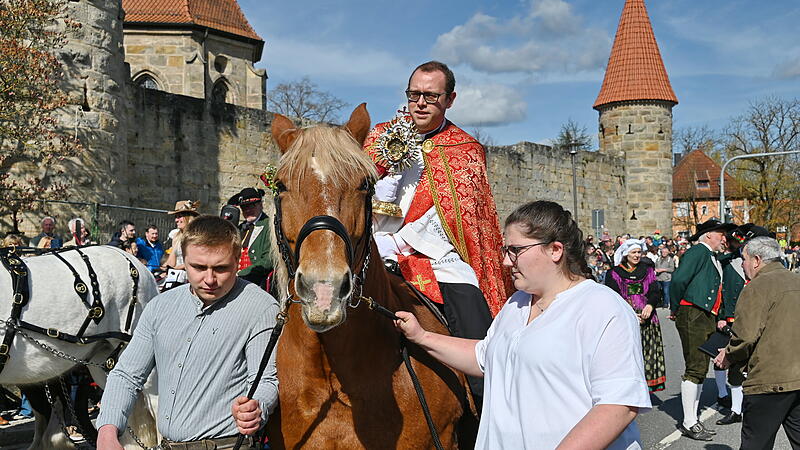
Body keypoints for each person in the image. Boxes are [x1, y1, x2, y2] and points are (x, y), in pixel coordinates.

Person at [394, 201, 651, 449]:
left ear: (555, 250)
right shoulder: (516, 303)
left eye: (516, 250)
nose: (506, 261)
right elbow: (485, 357)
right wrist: (422, 336)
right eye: (507, 250)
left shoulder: (602, 307)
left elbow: (619, 406)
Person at [363, 61, 509, 403]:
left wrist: (399, 241)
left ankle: (488, 405)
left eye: (431, 95)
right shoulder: (378, 137)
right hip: (370, 249)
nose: (421, 103)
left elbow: (458, 219)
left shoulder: (465, 150)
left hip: (433, 256)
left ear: (450, 99)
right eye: (414, 94)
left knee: (471, 304)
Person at [96, 215, 279, 449]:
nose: (209, 279)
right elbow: (126, 374)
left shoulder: (260, 307)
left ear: (237, 260)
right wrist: (107, 430)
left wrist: (257, 406)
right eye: (198, 267)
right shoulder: (160, 306)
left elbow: (266, 379)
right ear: (184, 259)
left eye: (221, 268)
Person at [714, 236, 800, 449]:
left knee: (756, 444)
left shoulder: (757, 286)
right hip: (797, 377)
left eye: (743, 259)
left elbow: (746, 336)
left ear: (756, 260)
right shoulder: (796, 280)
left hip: (769, 380)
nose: (742, 264)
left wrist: (728, 354)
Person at [669, 219, 736, 441]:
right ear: (708, 235)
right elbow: (678, 280)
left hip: (705, 315)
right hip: (693, 312)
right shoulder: (698, 251)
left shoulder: (711, 255)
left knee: (701, 367)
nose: (723, 238)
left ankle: (693, 418)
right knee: (696, 368)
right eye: (720, 234)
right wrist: (676, 307)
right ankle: (689, 422)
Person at [605, 239, 666, 393]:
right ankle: (626, 388)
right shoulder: (614, 273)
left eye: (639, 252)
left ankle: (645, 387)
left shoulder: (647, 271)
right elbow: (614, 296)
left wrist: (650, 305)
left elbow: (654, 290)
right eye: (634, 252)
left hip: (647, 317)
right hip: (625, 318)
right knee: (626, 355)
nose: (637, 255)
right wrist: (630, 314)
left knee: (646, 353)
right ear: (626, 254)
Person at [229, 188, 273, 289]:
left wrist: (241, 275)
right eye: (244, 207)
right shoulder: (240, 228)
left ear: (261, 205)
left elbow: (268, 260)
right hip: (235, 280)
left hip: (257, 282)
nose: (248, 210)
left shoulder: (269, 226)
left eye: (252, 206)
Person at [164, 200, 200, 286]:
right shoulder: (176, 236)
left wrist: (177, 268)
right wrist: (165, 268)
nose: (176, 220)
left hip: (191, 277)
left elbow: (196, 260)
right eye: (176, 217)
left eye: (179, 216)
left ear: (188, 218)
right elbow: (172, 259)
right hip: (177, 277)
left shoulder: (196, 237)